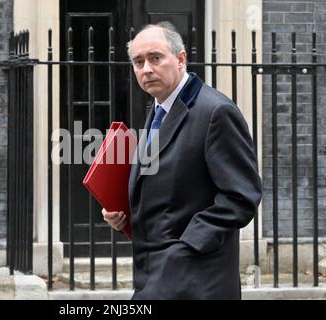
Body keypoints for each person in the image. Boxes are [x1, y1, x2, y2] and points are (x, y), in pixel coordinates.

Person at [102, 21, 262, 300]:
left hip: (197, 280)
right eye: (138, 62)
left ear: (180, 59)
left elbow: (242, 196)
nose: (146, 69)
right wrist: (125, 213)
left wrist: (186, 249)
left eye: (155, 58)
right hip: (156, 275)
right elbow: (167, 183)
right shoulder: (157, 108)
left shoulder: (216, 111)